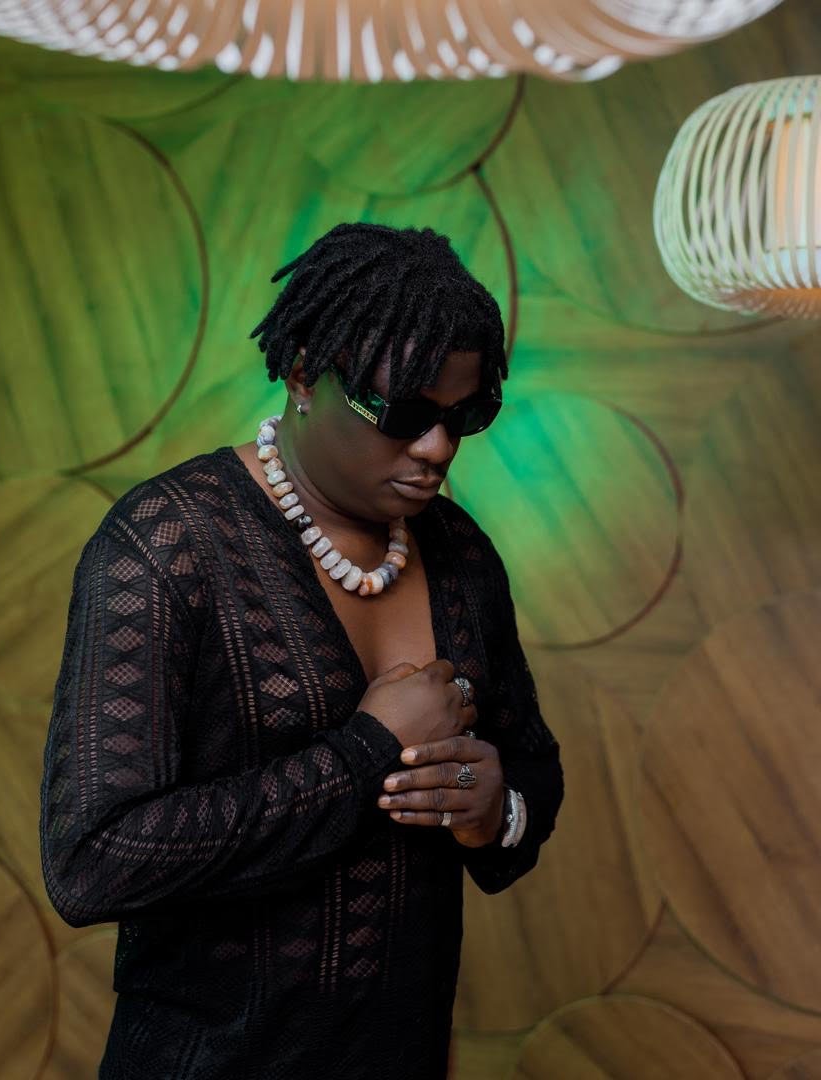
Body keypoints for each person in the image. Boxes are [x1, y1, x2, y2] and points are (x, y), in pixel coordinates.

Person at [40, 222, 564, 1080]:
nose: (437, 448)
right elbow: (93, 861)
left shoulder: (460, 554)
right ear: (304, 376)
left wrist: (493, 810)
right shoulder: (166, 546)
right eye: (404, 413)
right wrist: (367, 752)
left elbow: (532, 766)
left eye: (465, 417)